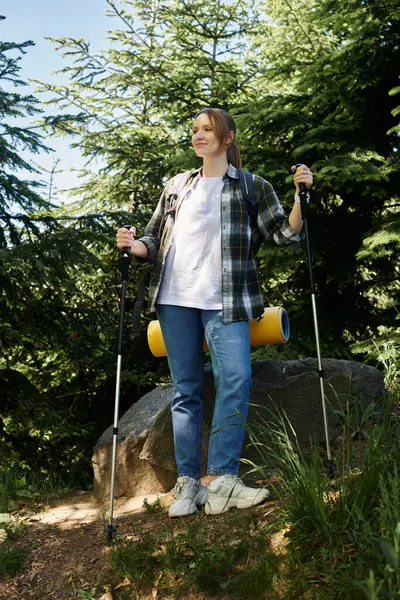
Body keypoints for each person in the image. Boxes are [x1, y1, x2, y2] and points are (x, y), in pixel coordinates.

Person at [116, 107, 313, 518]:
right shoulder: (177, 186)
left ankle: (221, 480)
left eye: (208, 129)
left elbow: (285, 234)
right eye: (195, 130)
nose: (199, 135)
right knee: (186, 390)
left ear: (227, 138)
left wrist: (300, 196)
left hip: (227, 300)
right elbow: (153, 239)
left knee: (235, 380)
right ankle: (187, 486)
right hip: (174, 298)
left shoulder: (250, 186)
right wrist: (133, 245)